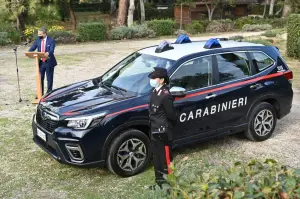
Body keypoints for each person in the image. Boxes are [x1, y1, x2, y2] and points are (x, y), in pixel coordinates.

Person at [148, 67, 177, 190]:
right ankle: (159, 183)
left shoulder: (165, 96)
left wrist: (167, 129)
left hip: (163, 132)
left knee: (165, 159)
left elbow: (172, 116)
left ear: (161, 80)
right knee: (157, 158)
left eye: (154, 78)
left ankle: (169, 186)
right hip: (154, 130)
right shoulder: (154, 91)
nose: (152, 80)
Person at [29, 27, 57, 95]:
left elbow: (51, 50)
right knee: (40, 79)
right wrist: (29, 52)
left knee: (49, 79)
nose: (38, 35)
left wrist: (48, 53)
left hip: (49, 62)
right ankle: (40, 94)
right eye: (38, 34)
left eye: (40, 34)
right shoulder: (37, 40)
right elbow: (32, 49)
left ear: (44, 34)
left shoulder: (51, 40)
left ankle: (49, 94)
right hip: (41, 62)